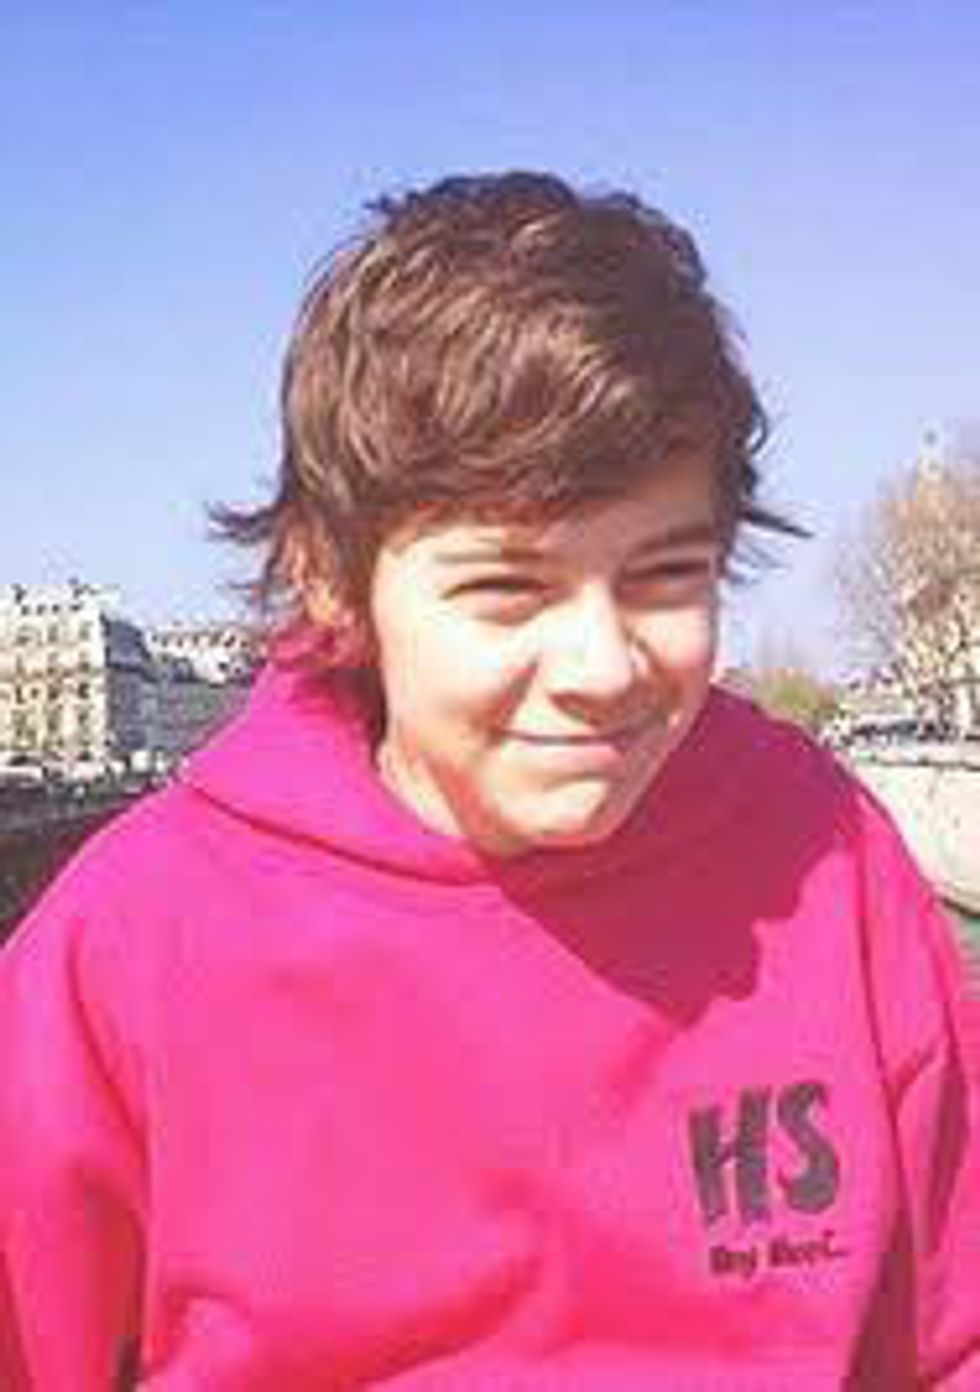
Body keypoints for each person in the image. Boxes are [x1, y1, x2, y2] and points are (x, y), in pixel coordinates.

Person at [2, 172, 977, 1389]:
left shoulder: (824, 852)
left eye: (666, 576)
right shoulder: (129, 948)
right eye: (507, 590)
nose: (601, 668)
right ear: (327, 579)